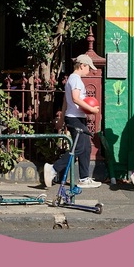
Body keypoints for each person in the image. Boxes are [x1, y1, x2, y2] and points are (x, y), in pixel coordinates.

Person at [43, 54, 103, 189]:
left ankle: (84, 178)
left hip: (76, 117)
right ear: (82, 65)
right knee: (80, 147)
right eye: (88, 67)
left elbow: (66, 100)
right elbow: (75, 98)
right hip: (75, 118)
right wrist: (91, 109)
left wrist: (61, 119)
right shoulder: (75, 79)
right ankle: (53, 169)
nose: (90, 71)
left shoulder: (72, 79)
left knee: (86, 147)